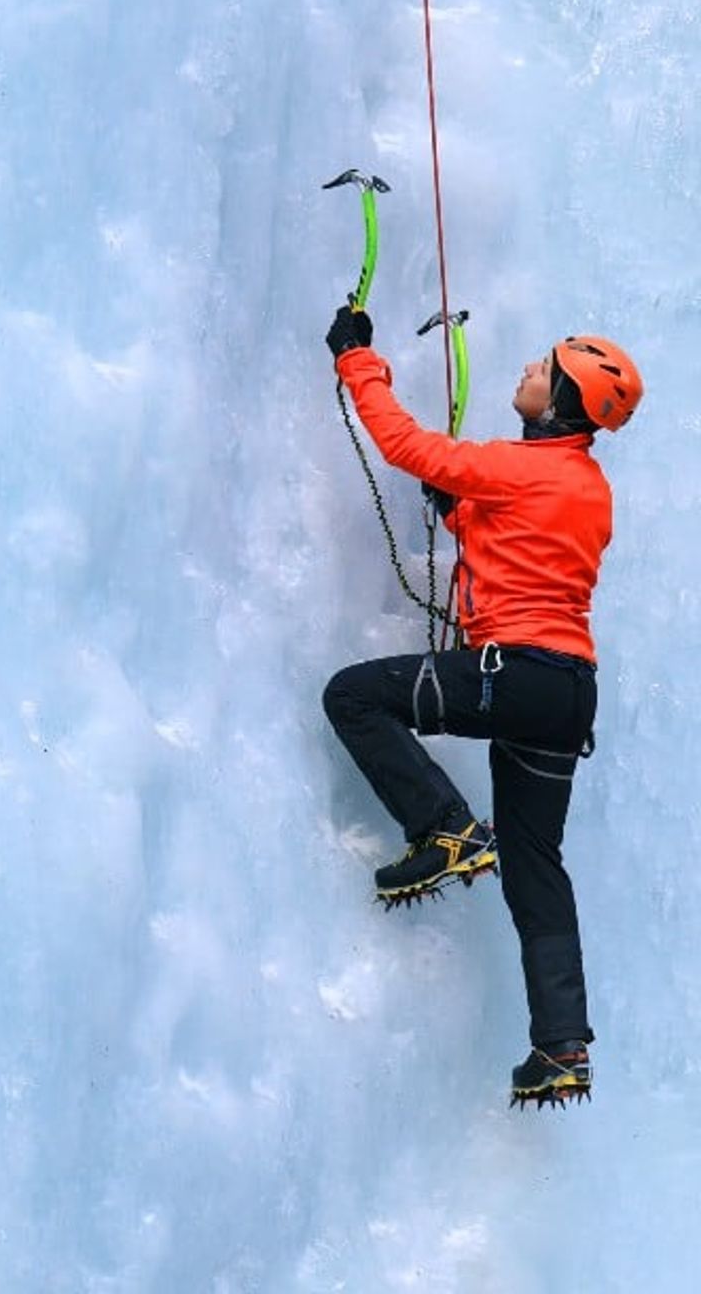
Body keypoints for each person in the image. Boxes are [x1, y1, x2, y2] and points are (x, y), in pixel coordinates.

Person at [319, 304, 643, 1108]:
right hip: (567, 694)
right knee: (536, 867)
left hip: (514, 672)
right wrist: (458, 509)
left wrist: (359, 359)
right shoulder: (587, 487)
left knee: (353, 696)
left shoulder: (521, 466)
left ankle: (446, 826)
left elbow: (404, 445)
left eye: (545, 370)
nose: (529, 371)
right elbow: (522, 536)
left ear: (563, 403)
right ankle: (561, 1046)